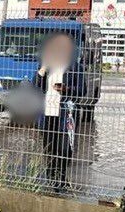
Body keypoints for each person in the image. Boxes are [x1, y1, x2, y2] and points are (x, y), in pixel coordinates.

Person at [31, 32, 85, 194]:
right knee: (49, 147)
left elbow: (83, 90)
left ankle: (61, 179)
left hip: (64, 114)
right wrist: (42, 69)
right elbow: (35, 87)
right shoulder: (46, 65)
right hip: (46, 112)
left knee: (63, 148)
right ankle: (51, 179)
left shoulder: (75, 67)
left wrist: (66, 89)